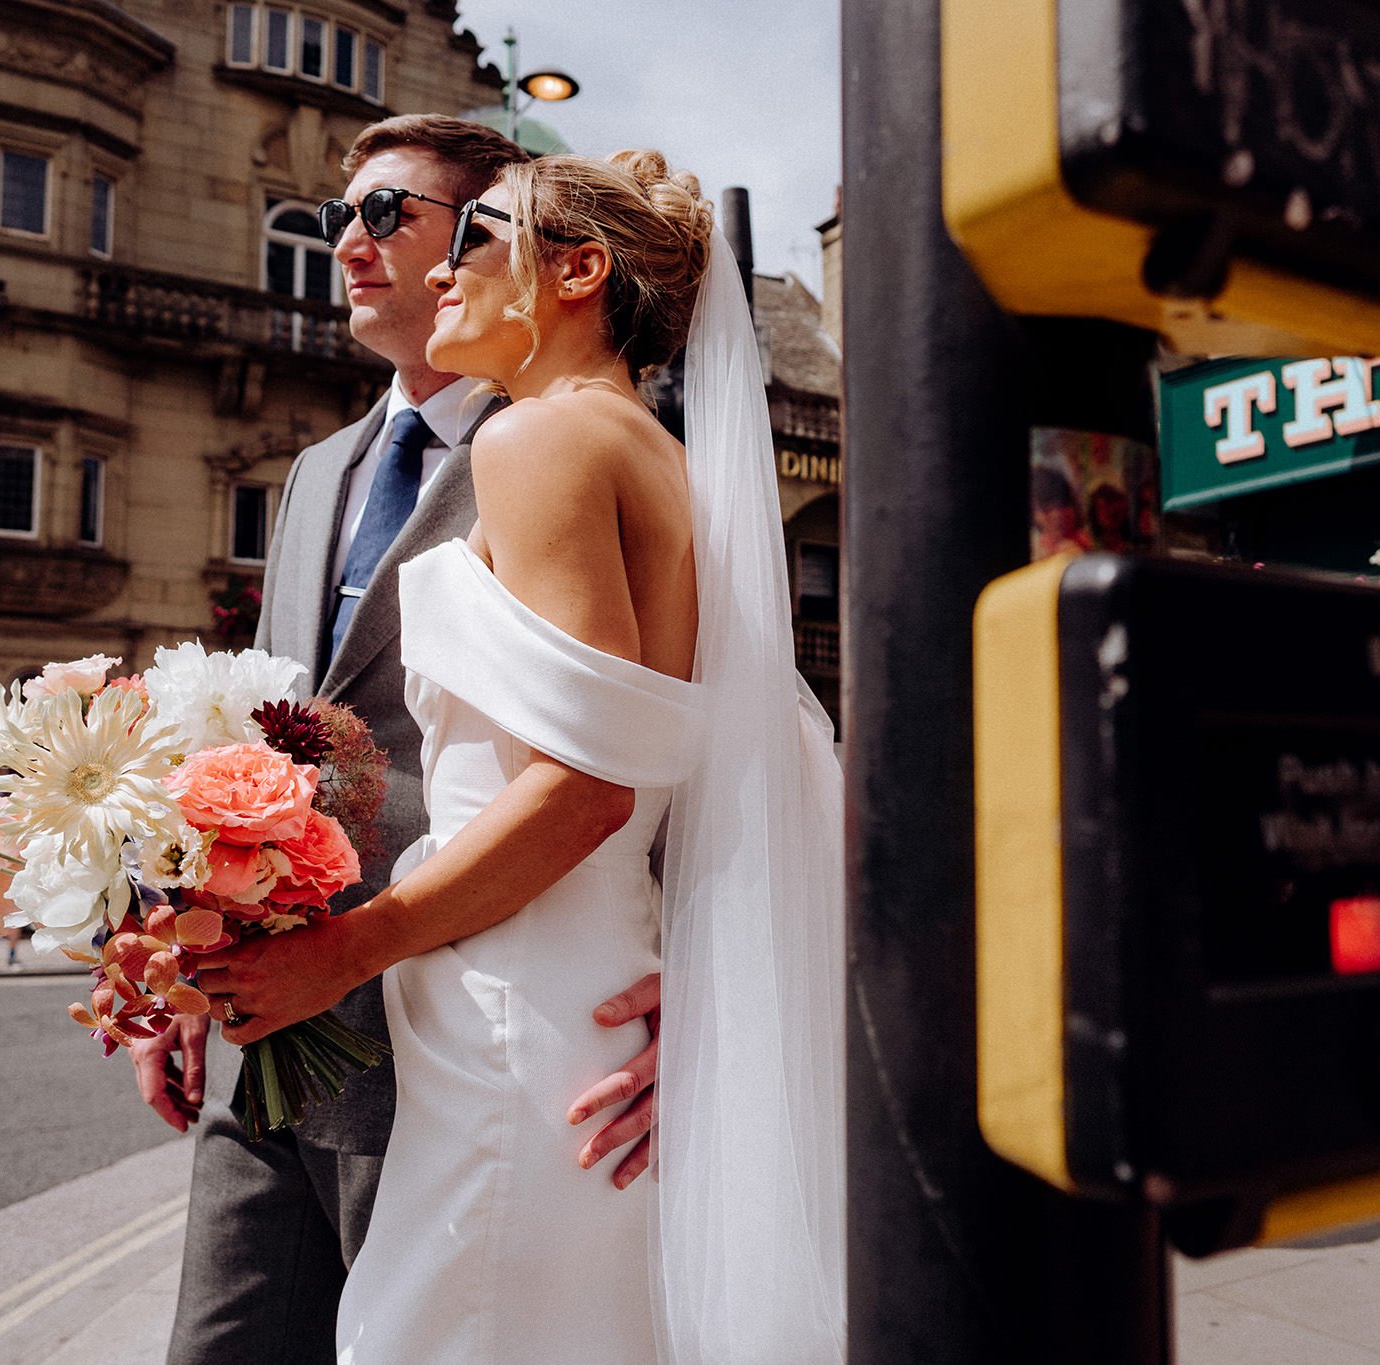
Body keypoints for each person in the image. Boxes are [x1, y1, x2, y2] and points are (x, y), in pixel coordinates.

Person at [194, 151, 847, 1362]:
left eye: (477, 238)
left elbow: (585, 788)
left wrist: (349, 948)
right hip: (584, 986)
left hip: (511, 1003)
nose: (441, 268)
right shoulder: (661, 459)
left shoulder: (535, 441)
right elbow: (776, 762)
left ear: (577, 272)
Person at [127, 116, 664, 1364]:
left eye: (391, 215)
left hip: (464, 1026)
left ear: (478, 247)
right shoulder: (314, 470)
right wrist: (182, 945)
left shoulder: (573, 432)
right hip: (269, 1026)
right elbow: (258, 743)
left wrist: (701, 977)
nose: (350, 244)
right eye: (335, 219)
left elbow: (657, 752)